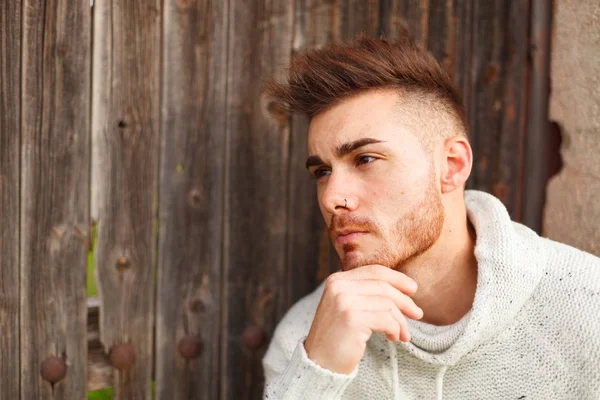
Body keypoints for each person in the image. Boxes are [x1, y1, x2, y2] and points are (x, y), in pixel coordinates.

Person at [260, 35, 600, 400]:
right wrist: (316, 376)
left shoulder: (587, 307)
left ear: (451, 166)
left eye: (366, 159)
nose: (331, 198)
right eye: (322, 172)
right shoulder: (306, 336)